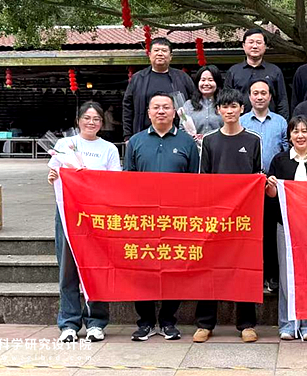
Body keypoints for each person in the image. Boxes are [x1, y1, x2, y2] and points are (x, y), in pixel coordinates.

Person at [123, 92, 200, 341]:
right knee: (142, 269)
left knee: (173, 268)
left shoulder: (187, 142)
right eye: (156, 107)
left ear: (174, 112)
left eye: (166, 107)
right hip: (143, 218)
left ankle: (168, 321)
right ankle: (145, 321)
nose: (161, 111)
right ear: (148, 112)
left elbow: (195, 182)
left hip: (176, 218)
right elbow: (127, 180)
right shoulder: (135, 142)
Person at [47, 101, 121, 344]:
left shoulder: (109, 148)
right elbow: (54, 174)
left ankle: (96, 322)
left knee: (96, 268)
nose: (92, 122)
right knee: (67, 270)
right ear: (78, 120)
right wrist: (53, 176)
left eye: (96, 119)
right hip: (68, 214)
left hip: (96, 217)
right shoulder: (64, 145)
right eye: (87, 118)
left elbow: (114, 182)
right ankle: (68, 323)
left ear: (102, 122)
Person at [195, 88, 262, 343]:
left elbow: (257, 176)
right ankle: (205, 323)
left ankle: (246, 324)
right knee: (210, 268)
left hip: (244, 218)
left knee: (243, 268)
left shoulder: (253, 140)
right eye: (225, 106)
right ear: (218, 110)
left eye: (234, 106)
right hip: (215, 216)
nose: (230, 111)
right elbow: (204, 180)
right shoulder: (210, 141)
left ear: (242, 109)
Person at [265, 115, 307, 341]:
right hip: (286, 226)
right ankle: (288, 324)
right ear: (289, 136)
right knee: (286, 275)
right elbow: (271, 197)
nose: (300, 135)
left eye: (304, 131)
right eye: (295, 131)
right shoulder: (280, 160)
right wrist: (270, 188)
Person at [239, 79, 288, 294]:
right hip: (247, 186)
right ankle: (252, 275)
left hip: (273, 185)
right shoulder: (241, 121)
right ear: (249, 96)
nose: (259, 97)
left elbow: (286, 151)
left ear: (270, 96)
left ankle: (272, 276)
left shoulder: (280, 122)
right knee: (249, 233)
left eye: (264, 93)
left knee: (271, 231)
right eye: (255, 93)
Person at [122, 37, 195, 141]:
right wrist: (127, 136)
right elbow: (128, 108)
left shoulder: (182, 78)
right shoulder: (138, 78)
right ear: (149, 55)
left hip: (177, 137)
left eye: (164, 51)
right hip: (143, 136)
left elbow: (195, 103)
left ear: (171, 56)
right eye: (156, 50)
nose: (160, 54)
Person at [225, 28, 290, 119]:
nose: (255, 46)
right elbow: (227, 101)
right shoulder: (233, 71)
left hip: (269, 122)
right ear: (244, 45)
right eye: (251, 42)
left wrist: (283, 123)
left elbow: (282, 101)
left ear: (265, 46)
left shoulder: (275, 71)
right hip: (240, 123)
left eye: (258, 42)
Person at [183, 65, 225, 142]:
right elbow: (182, 127)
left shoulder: (224, 104)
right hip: (195, 146)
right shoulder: (188, 105)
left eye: (210, 80)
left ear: (217, 82)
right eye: (203, 80)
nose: (206, 83)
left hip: (219, 145)